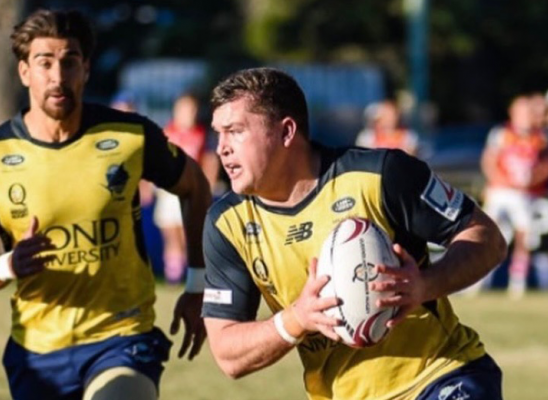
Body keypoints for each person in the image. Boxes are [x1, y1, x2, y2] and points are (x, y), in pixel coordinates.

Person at [202, 68, 507, 400]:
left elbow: (487, 237)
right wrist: (297, 318)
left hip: (442, 376)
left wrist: (424, 285)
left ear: (286, 131)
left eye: (235, 131)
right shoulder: (227, 223)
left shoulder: (380, 175)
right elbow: (227, 352)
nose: (222, 148)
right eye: (219, 134)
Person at [0, 9, 211, 400]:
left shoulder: (130, 137)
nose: (58, 76)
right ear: (24, 72)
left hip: (122, 338)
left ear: (86, 69)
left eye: (69, 61)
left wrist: (197, 285)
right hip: (37, 353)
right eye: (45, 63)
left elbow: (195, 186)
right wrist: (9, 264)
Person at [480, 95, 548, 298]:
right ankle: (478, 281)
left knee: (524, 237)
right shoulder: (501, 133)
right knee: (487, 235)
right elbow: (489, 160)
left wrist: (534, 180)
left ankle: (517, 281)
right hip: (501, 191)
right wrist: (498, 181)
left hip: (524, 194)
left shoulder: (541, 137)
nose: (528, 116)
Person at [154, 94, 220, 283]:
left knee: (188, 236)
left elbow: (210, 160)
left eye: (192, 110)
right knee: (170, 234)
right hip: (168, 191)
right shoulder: (166, 132)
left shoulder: (201, 134)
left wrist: (208, 184)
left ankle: (191, 275)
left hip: (190, 191)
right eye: (184, 109)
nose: (188, 114)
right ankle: (173, 275)